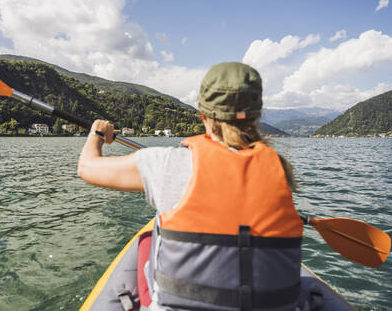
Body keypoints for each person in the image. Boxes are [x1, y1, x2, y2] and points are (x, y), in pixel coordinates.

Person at [78, 62, 303, 311]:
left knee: (146, 241)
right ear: (257, 115)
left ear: (203, 114)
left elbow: (87, 168)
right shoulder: (280, 169)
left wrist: (97, 134)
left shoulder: (167, 163)